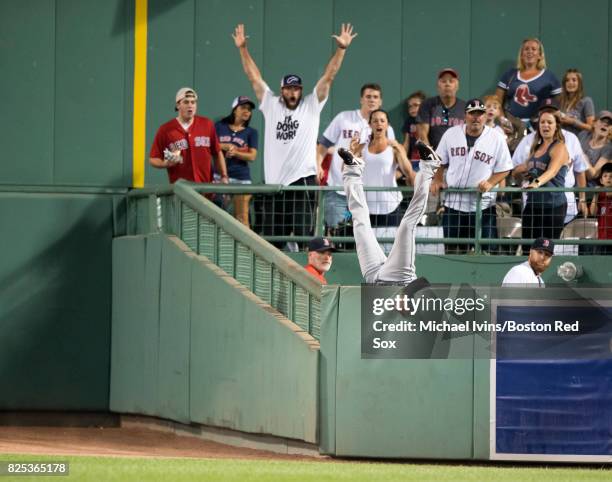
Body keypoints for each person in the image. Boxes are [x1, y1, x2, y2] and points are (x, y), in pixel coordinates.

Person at [233, 23, 357, 246]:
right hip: (274, 186)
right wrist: (242, 49)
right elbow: (254, 77)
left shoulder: (311, 105)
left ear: (301, 90)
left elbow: (329, 76)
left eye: (297, 88)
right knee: (272, 243)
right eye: (289, 89)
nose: (293, 92)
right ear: (282, 90)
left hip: (302, 183)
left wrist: (342, 49)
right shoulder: (270, 104)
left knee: (304, 239)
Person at [338, 141, 440, 286]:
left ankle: (353, 170)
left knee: (360, 225)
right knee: (406, 226)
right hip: (399, 277)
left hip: (373, 276)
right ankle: (429, 165)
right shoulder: (424, 306)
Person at [431, 99, 513, 254]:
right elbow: (439, 160)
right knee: (452, 250)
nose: (476, 118)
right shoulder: (451, 134)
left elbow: (505, 168)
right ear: (465, 116)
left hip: (482, 204)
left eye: (480, 114)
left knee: (487, 251)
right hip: (454, 203)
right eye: (472, 114)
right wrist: (437, 179)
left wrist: (490, 182)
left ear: (485, 116)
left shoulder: (496, 138)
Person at [316, 83, 395, 229]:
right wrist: (318, 165)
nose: (371, 100)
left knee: (362, 239)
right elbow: (323, 145)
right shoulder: (344, 118)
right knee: (337, 234)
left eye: (375, 97)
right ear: (361, 99)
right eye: (368, 96)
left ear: (380, 101)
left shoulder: (386, 128)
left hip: (365, 196)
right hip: (339, 189)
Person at [512, 99, 588, 224]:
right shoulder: (528, 141)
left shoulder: (570, 140)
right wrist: (522, 173)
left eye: (552, 114)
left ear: (558, 118)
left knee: (557, 242)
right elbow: (515, 171)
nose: (546, 124)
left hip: (560, 201)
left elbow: (579, 170)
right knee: (531, 241)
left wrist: (583, 199)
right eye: (543, 116)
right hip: (532, 201)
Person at [512, 109, 569, 246]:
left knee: (545, 249)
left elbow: (552, 171)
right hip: (533, 204)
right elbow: (520, 170)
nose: (545, 125)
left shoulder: (559, 147)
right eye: (542, 122)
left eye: (550, 122)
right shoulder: (536, 148)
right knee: (528, 247)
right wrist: (519, 173)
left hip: (553, 205)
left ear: (557, 126)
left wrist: (536, 183)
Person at [351, 110, 415, 229]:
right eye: (375, 121)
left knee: (391, 245)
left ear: (387, 125)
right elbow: (346, 169)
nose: (378, 123)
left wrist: (400, 151)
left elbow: (408, 172)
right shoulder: (362, 147)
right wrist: (351, 151)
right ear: (370, 125)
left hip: (391, 206)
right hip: (366, 207)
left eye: (382, 121)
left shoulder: (395, 148)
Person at [149, 87, 228, 184]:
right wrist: (165, 163)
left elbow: (217, 152)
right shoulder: (165, 130)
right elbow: (153, 158)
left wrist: (224, 176)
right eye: (186, 102)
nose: (190, 105)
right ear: (178, 105)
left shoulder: (207, 124)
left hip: (206, 187)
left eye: (193, 102)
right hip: (181, 190)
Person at [215, 96, 258, 227]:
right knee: (215, 215)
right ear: (234, 110)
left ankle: (246, 247)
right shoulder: (219, 126)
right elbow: (210, 145)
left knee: (242, 218)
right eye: (243, 107)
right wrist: (225, 146)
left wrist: (236, 153)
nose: (247, 111)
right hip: (219, 177)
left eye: (249, 109)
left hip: (241, 178)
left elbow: (252, 156)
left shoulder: (251, 132)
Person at [496, 38, 561, 125]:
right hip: (512, 126)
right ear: (521, 55)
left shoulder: (549, 77)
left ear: (540, 55)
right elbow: (497, 101)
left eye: (533, 49)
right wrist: (503, 121)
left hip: (538, 126)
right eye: (526, 49)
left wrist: (547, 121)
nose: (529, 51)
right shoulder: (510, 74)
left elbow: (559, 104)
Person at [416, 69, 466, 149]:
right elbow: (422, 134)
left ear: (457, 86)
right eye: (443, 81)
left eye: (451, 81)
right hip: (434, 155)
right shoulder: (427, 104)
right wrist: (431, 158)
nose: (447, 84)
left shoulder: (465, 107)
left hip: (458, 156)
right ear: (438, 86)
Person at [559, 68, 595, 136]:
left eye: (574, 80)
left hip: (578, 142)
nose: (570, 82)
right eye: (567, 80)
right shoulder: (560, 102)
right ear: (564, 84)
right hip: (561, 141)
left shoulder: (586, 101)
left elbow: (591, 128)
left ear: (579, 83)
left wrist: (573, 122)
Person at [579, 111, 612, 181]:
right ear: (594, 123)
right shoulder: (583, 135)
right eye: (602, 121)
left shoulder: (608, 148)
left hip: (591, 186)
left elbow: (593, 175)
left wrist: (582, 156)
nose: (606, 124)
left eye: (609, 124)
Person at [589, 162, 612, 254]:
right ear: (601, 180)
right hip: (602, 239)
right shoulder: (600, 195)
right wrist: (596, 195)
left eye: (611, 176)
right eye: (605, 176)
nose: (608, 178)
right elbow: (593, 213)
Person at [402, 90, 427, 169]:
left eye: (416, 105)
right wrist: (403, 159)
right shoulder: (409, 121)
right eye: (410, 106)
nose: (412, 108)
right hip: (413, 160)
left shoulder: (429, 120)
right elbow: (406, 142)